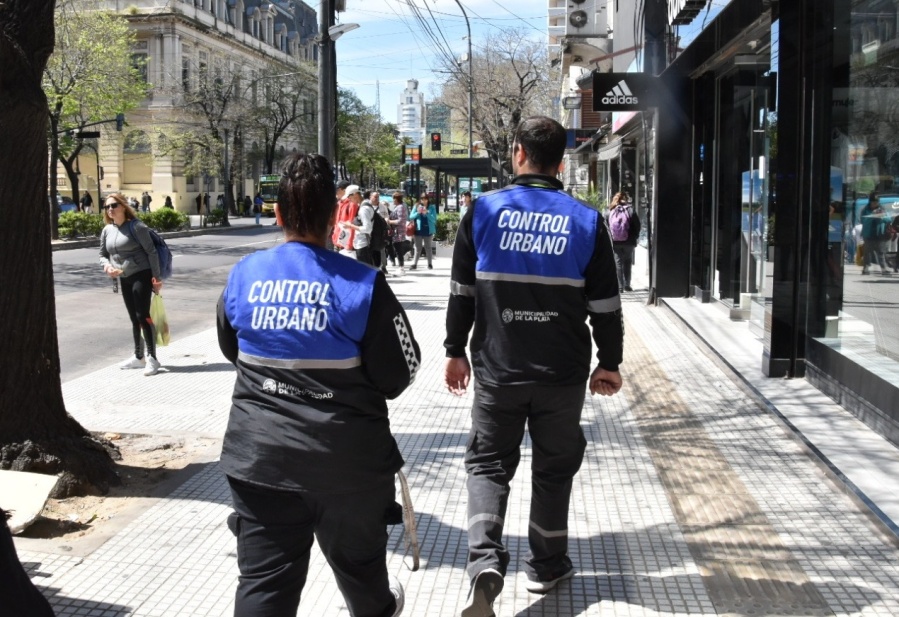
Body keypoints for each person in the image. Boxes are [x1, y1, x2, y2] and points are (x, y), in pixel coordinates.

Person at [216, 152, 420, 617]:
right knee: (365, 578)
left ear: (279, 213)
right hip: (348, 466)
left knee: (264, 586)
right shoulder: (364, 284)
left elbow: (235, 351)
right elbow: (400, 371)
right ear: (334, 216)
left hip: (259, 461)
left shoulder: (243, 275)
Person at [444, 116, 623, 617]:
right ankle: (545, 567)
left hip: (498, 370)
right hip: (562, 374)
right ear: (561, 161)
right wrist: (610, 363)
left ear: (519, 153)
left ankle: (484, 562)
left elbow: (461, 293)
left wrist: (455, 350)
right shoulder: (587, 222)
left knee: (488, 463)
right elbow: (607, 307)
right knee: (553, 467)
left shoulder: (481, 211)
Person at [99, 192, 164, 376]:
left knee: (142, 315)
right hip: (123, 277)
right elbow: (102, 254)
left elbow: (151, 252)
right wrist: (107, 267)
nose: (110, 209)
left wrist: (156, 278)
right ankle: (138, 357)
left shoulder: (137, 227)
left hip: (141, 274)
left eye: (114, 205)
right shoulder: (107, 230)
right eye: (107, 207)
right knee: (134, 318)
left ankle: (152, 358)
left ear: (123, 207)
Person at [607, 191, 641, 292]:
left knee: (618, 263)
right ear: (625, 199)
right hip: (629, 241)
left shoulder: (609, 211)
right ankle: (627, 285)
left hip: (615, 241)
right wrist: (635, 236)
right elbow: (637, 225)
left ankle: (620, 286)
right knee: (627, 262)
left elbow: (605, 226)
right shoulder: (630, 210)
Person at [340, 186, 375, 266]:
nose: (349, 199)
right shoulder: (364, 205)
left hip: (363, 245)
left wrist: (350, 226)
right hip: (362, 244)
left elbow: (367, 228)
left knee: (365, 272)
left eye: (349, 196)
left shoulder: (364, 209)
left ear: (355, 194)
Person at [861, 193, 890, 275]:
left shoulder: (882, 208)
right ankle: (866, 268)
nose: (875, 204)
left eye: (876, 202)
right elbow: (863, 220)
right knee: (867, 252)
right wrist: (872, 216)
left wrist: (882, 216)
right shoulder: (865, 209)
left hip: (879, 234)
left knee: (881, 252)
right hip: (868, 234)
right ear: (870, 202)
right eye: (873, 202)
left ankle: (883, 268)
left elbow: (888, 219)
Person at [408, 194, 436, 270]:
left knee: (428, 247)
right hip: (418, 230)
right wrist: (418, 213)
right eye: (422, 199)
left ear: (428, 199)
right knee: (418, 248)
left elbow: (434, 220)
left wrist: (427, 212)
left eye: (425, 199)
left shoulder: (432, 207)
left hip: (428, 230)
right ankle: (414, 264)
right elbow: (410, 217)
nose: (424, 201)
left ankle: (430, 264)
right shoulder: (416, 206)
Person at [388, 192, 410, 275]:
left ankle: (401, 267)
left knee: (398, 250)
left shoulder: (400, 207)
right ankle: (400, 266)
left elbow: (400, 220)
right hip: (396, 232)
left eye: (393, 198)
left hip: (398, 232)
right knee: (397, 249)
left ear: (396, 199)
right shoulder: (398, 207)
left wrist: (390, 221)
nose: (392, 201)